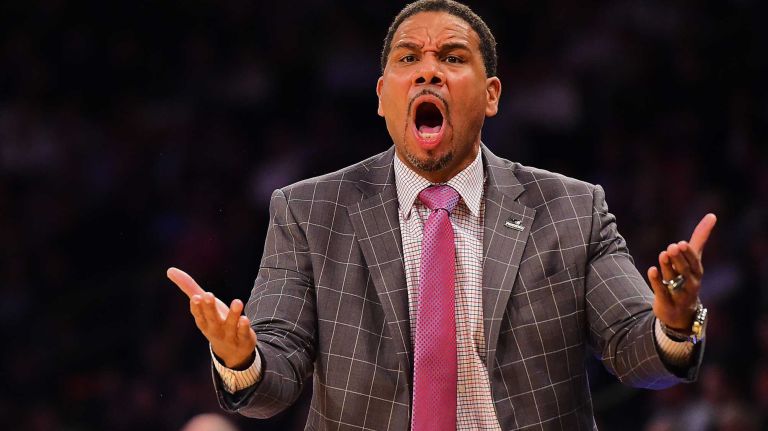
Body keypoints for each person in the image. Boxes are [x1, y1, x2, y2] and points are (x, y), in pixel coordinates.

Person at [167, 0, 717, 429]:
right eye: (409, 59)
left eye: (453, 58)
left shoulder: (571, 208)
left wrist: (671, 325)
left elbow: (633, 349)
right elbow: (275, 380)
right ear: (383, 96)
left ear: (492, 94)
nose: (428, 72)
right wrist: (242, 359)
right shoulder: (310, 211)